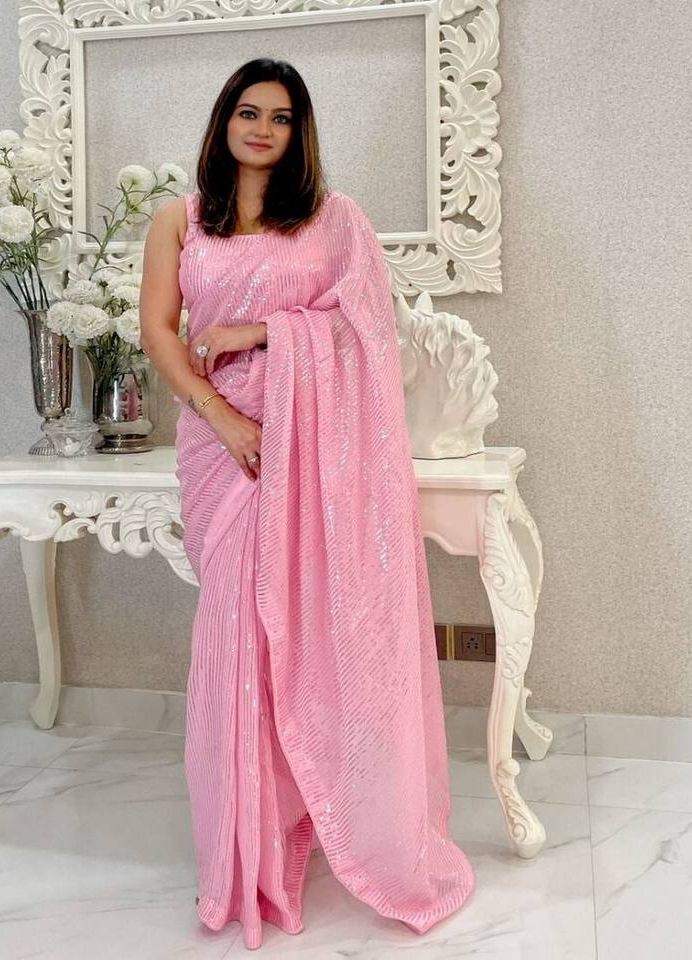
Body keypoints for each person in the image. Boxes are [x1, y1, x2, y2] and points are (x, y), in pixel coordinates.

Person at [140, 57, 476, 951]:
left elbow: (366, 331)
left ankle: (307, 812)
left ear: (299, 132)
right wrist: (220, 418)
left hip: (311, 449)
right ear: (223, 121)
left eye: (281, 117)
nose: (263, 129)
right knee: (235, 642)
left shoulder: (334, 221)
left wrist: (261, 330)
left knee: (300, 634)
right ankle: (240, 856)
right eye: (248, 112)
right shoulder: (180, 220)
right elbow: (159, 333)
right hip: (225, 453)